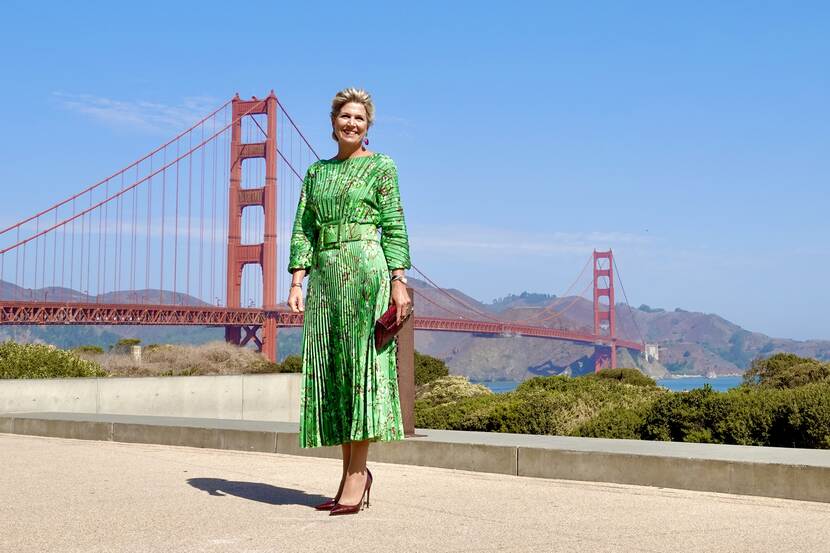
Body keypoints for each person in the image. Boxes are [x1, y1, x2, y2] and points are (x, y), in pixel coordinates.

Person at [286, 87, 412, 516]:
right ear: (333, 123)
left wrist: (399, 280)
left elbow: (394, 225)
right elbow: (303, 228)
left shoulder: (382, 167)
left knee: (361, 373)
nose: (352, 124)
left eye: (360, 118)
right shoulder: (316, 173)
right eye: (345, 117)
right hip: (325, 282)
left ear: (368, 126)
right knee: (338, 376)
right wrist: (297, 281)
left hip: (366, 273)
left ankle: (358, 476)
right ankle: (347, 476)